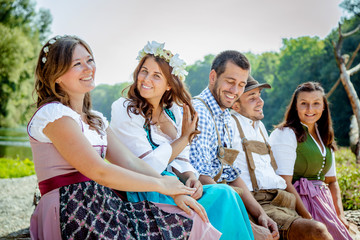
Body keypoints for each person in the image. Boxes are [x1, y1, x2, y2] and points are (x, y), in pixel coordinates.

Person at [28, 35, 221, 240]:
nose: (88, 68)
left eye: (89, 60)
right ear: (56, 76)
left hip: (101, 202)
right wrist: (161, 185)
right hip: (70, 207)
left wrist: (174, 189)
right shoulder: (53, 115)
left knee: (187, 224)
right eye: (77, 64)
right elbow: (99, 170)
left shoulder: (96, 120)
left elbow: (129, 161)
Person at [110, 41, 254, 240]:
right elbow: (147, 164)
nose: (146, 79)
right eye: (144, 71)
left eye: (156, 75)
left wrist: (190, 177)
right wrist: (184, 138)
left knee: (230, 196)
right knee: (224, 196)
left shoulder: (174, 111)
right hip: (148, 189)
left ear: (169, 84)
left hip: (176, 185)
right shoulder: (126, 109)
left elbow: (182, 159)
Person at [189, 50, 280, 240]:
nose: (235, 91)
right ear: (213, 77)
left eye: (241, 85)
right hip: (201, 203)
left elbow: (230, 172)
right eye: (230, 82)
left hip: (222, 198)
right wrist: (249, 227)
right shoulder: (199, 112)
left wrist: (260, 213)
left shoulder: (225, 117)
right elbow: (201, 176)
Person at [230, 77, 333, 240]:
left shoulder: (260, 127)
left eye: (259, 95)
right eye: (252, 98)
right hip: (259, 202)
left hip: (282, 199)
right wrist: (259, 213)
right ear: (235, 105)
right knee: (317, 231)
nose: (260, 101)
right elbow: (229, 176)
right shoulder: (229, 126)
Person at [269, 81, 353, 240]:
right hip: (298, 202)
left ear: (323, 107)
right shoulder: (286, 133)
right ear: (295, 106)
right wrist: (308, 217)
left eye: (316, 103)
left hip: (324, 202)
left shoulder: (324, 136)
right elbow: (284, 181)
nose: (310, 109)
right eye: (304, 104)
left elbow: (332, 181)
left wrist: (339, 214)